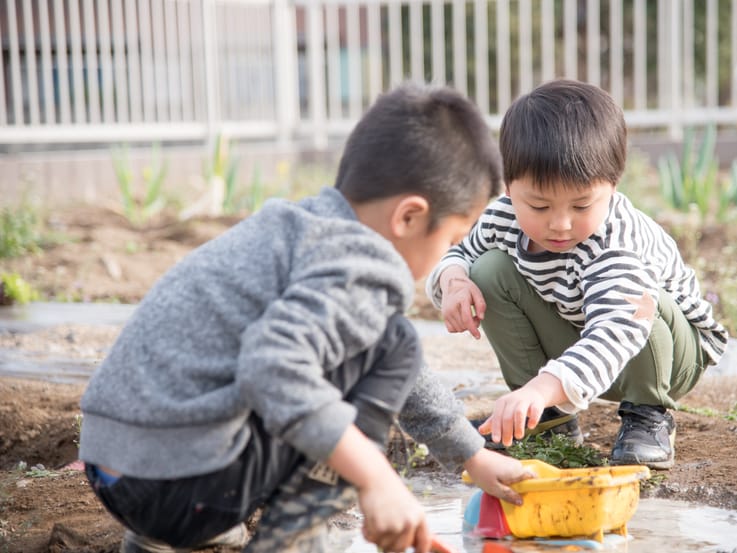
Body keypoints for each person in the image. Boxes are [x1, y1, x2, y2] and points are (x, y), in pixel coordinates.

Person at [78, 82, 536, 553]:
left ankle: (180, 537)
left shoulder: (298, 228)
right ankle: (296, 542)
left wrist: (472, 455)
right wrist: (375, 477)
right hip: (179, 477)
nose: (448, 253)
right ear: (409, 218)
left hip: (113, 463)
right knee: (395, 344)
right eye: (452, 239)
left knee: (380, 342)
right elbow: (274, 367)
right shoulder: (362, 262)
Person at [426, 79, 728, 470]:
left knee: (640, 305)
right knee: (486, 270)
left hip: (665, 356)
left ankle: (648, 415)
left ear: (613, 187)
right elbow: (460, 252)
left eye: (582, 204)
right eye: (538, 205)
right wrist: (453, 282)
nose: (560, 224)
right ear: (508, 186)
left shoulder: (617, 241)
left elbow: (613, 333)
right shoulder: (504, 216)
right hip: (580, 335)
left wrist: (541, 387)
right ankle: (548, 419)